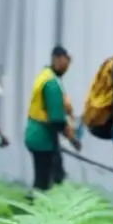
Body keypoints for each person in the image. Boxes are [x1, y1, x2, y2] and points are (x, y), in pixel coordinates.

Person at [25, 46, 81, 194]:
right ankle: (38, 208)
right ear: (57, 58)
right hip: (42, 138)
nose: (67, 67)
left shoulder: (44, 75)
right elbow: (56, 119)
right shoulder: (51, 83)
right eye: (66, 62)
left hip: (35, 133)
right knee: (45, 179)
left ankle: (37, 206)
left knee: (43, 175)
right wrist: (72, 139)